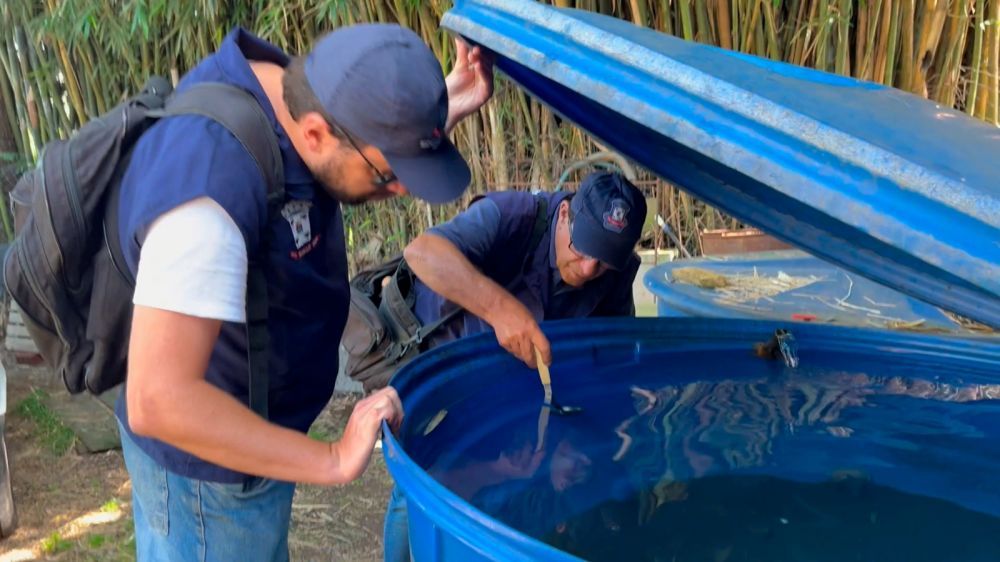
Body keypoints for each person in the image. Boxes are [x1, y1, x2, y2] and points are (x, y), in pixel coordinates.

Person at [115, 24, 493, 561]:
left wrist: (422, 121)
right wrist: (334, 459)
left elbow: (350, 149)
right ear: (315, 134)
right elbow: (160, 400)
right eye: (389, 175)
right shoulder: (208, 188)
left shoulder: (298, 93)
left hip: (258, 435)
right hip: (210, 474)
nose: (402, 190)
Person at [385, 170, 648, 561]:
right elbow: (423, 253)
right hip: (457, 378)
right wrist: (500, 309)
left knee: (509, 497)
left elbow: (613, 353)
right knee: (422, 487)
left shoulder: (617, 271)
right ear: (564, 216)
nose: (591, 268)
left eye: (606, 258)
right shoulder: (512, 216)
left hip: (530, 398)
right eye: (583, 246)